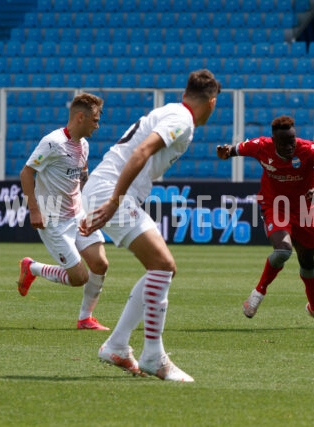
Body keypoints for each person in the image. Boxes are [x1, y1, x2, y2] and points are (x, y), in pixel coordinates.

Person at [79, 69, 221, 382]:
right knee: (163, 265)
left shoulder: (169, 110)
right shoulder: (181, 120)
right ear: (211, 102)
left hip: (109, 189)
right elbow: (142, 151)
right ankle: (152, 355)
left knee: (161, 267)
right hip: (112, 192)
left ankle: (117, 345)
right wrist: (116, 200)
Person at [216, 115, 314, 330]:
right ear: (274, 141)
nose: (290, 146)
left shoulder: (308, 149)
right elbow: (233, 150)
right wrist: (226, 152)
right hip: (275, 205)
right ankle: (258, 292)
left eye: (292, 141)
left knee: (308, 263)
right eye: (284, 143)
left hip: (304, 208)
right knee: (283, 250)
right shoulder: (260, 146)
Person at [17, 93, 110, 330]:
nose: (97, 126)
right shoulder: (53, 142)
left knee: (100, 264)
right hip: (53, 220)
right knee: (80, 278)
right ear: (81, 117)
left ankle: (85, 318)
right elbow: (26, 173)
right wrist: (34, 211)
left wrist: (89, 206)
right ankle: (32, 268)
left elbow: (82, 176)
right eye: (95, 120)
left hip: (77, 215)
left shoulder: (84, 145)